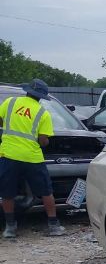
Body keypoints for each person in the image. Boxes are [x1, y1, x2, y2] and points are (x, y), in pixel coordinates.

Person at [0, 79, 65, 238]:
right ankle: (53, 225)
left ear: (27, 90)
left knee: (7, 192)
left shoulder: (9, 102)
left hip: (9, 154)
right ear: (41, 96)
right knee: (46, 191)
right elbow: (43, 140)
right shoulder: (43, 113)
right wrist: (45, 141)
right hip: (32, 157)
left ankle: (9, 228)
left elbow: (1, 122)